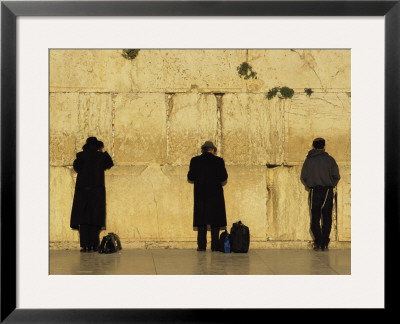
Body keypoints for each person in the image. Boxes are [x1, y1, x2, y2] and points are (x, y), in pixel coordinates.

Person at [70, 137, 114, 252]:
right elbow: (110, 163)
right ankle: (94, 245)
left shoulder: (80, 156)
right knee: (94, 219)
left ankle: (85, 246)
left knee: (84, 220)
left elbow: (76, 167)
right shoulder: (100, 157)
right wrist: (103, 151)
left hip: (83, 192)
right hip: (96, 192)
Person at [187, 141, 228, 251]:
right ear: (213, 150)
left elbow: (191, 177)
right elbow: (223, 177)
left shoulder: (195, 161)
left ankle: (201, 246)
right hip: (215, 196)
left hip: (201, 195)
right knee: (215, 222)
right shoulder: (219, 161)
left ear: (203, 150)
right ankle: (214, 247)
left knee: (201, 221)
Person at [301, 138, 340, 251]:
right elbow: (336, 176)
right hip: (327, 191)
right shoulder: (330, 160)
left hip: (314, 191)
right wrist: (330, 184)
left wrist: (311, 184)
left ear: (313, 146)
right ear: (324, 147)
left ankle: (318, 242)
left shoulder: (309, 160)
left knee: (315, 218)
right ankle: (324, 242)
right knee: (327, 218)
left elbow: (304, 176)